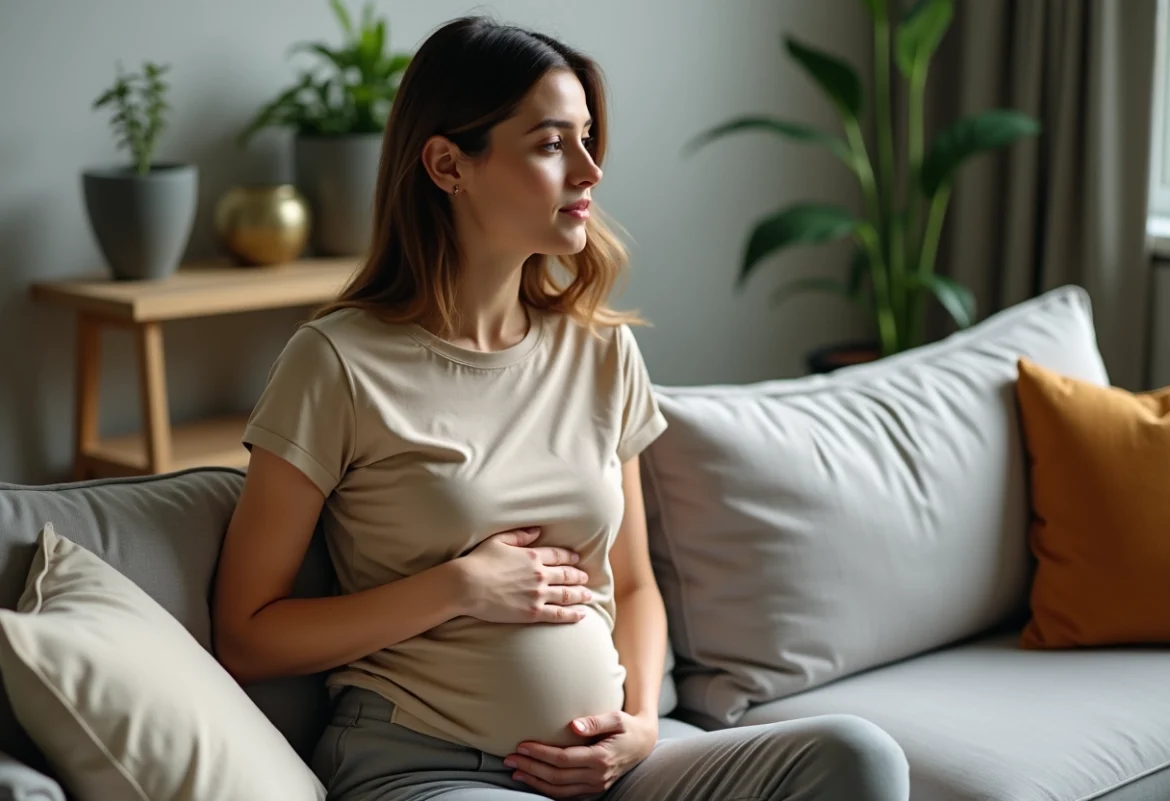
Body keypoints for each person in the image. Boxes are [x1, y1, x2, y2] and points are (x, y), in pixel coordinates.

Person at [211, 15, 910, 801]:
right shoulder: (336, 362)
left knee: (858, 756)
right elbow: (248, 634)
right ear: (447, 164)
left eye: (587, 139)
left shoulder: (601, 350)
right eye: (551, 144)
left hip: (615, 767)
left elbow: (634, 585)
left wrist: (640, 724)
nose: (590, 169)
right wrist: (460, 586)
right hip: (428, 765)